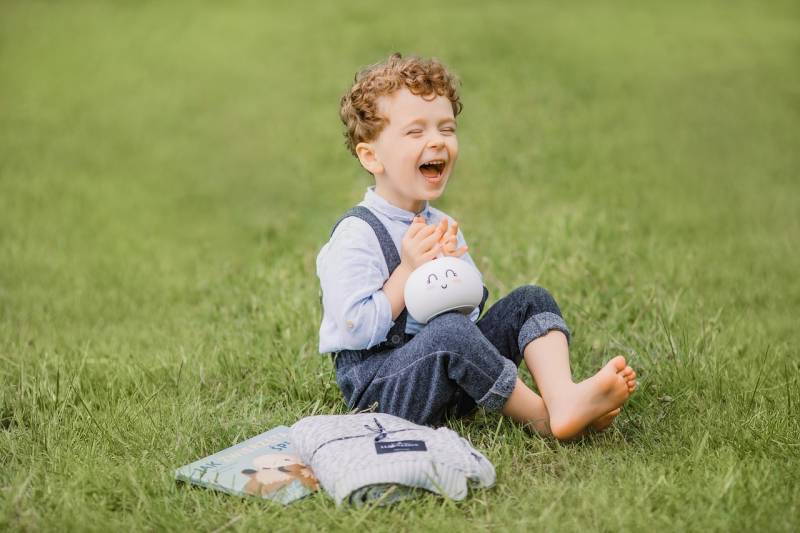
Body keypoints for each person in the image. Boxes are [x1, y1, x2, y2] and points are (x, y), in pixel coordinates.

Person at [316, 53, 636, 440]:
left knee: (529, 300)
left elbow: (470, 321)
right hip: (384, 390)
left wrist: (454, 274)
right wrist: (406, 272)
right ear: (372, 156)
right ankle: (545, 420)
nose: (436, 141)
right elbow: (354, 329)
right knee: (449, 332)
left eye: (446, 129)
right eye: (415, 132)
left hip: (451, 380)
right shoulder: (357, 234)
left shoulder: (440, 224)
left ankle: (564, 396)